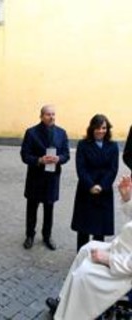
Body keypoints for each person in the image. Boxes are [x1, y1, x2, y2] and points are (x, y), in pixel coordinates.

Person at [46, 175, 132, 320]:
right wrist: (127, 198)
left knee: (84, 275)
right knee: (86, 248)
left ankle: (72, 315)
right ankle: (63, 303)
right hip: (122, 251)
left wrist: (109, 259)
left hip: (125, 271)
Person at [20, 105, 70, 250]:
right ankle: (30, 235)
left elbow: (67, 154)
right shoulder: (31, 133)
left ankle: (47, 236)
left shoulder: (62, 133)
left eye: (53, 114)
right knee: (32, 208)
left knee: (49, 209)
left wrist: (59, 159)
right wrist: (39, 160)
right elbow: (24, 155)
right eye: (48, 114)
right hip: (35, 177)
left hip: (52, 178)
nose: (51, 117)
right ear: (41, 116)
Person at [71, 114, 119, 252]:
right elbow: (81, 168)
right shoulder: (83, 145)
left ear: (107, 129)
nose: (101, 131)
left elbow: (113, 169)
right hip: (86, 190)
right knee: (83, 230)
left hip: (104, 192)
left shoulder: (113, 146)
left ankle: (96, 260)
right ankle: (80, 257)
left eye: (104, 128)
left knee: (100, 230)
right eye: (97, 128)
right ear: (92, 129)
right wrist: (91, 185)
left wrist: (102, 186)